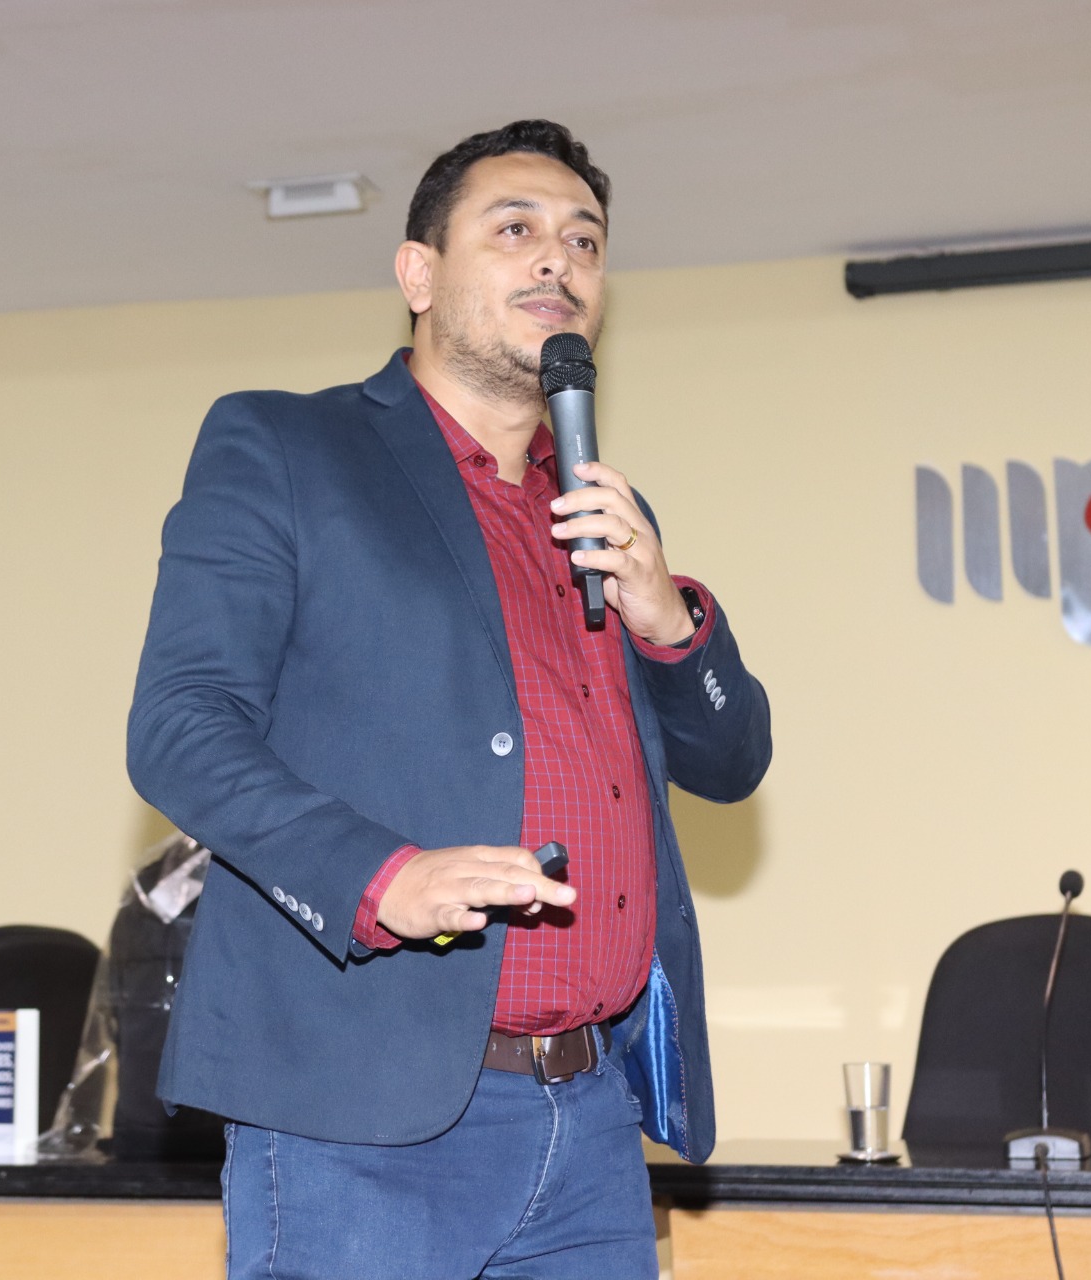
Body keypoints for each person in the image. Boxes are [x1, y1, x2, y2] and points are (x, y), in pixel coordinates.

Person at [127, 119, 771, 1280]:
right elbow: (181, 724)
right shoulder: (288, 445)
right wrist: (381, 875)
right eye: (514, 228)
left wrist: (669, 618)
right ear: (417, 274)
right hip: (361, 1120)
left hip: (592, 1122)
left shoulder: (609, 517)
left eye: (585, 240)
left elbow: (731, 763)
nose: (558, 257)